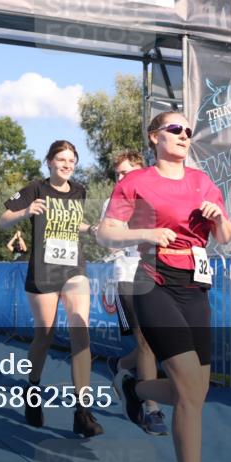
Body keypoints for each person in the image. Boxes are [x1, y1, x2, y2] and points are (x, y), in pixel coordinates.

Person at [97, 111, 231, 462]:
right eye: (175, 129)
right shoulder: (137, 181)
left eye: (188, 131)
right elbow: (107, 233)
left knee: (194, 392)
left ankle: (134, 388)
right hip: (153, 283)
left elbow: (224, 235)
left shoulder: (202, 181)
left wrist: (219, 217)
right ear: (154, 137)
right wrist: (146, 232)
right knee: (189, 389)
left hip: (195, 287)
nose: (184, 135)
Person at [0, 139, 103, 438]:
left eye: (72, 160)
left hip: (73, 267)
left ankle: (83, 411)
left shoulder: (80, 191)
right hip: (43, 271)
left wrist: (91, 229)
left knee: (80, 331)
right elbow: (3, 220)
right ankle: (32, 390)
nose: (67, 165)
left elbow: (73, 223)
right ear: (49, 162)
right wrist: (25, 211)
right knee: (44, 335)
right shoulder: (35, 188)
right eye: (62, 160)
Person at [99, 150, 169, 436]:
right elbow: (108, 242)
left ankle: (119, 366)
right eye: (118, 174)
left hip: (159, 274)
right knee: (145, 342)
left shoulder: (157, 197)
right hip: (127, 274)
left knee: (156, 344)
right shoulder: (113, 201)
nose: (121, 178)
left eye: (127, 173)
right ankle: (151, 409)